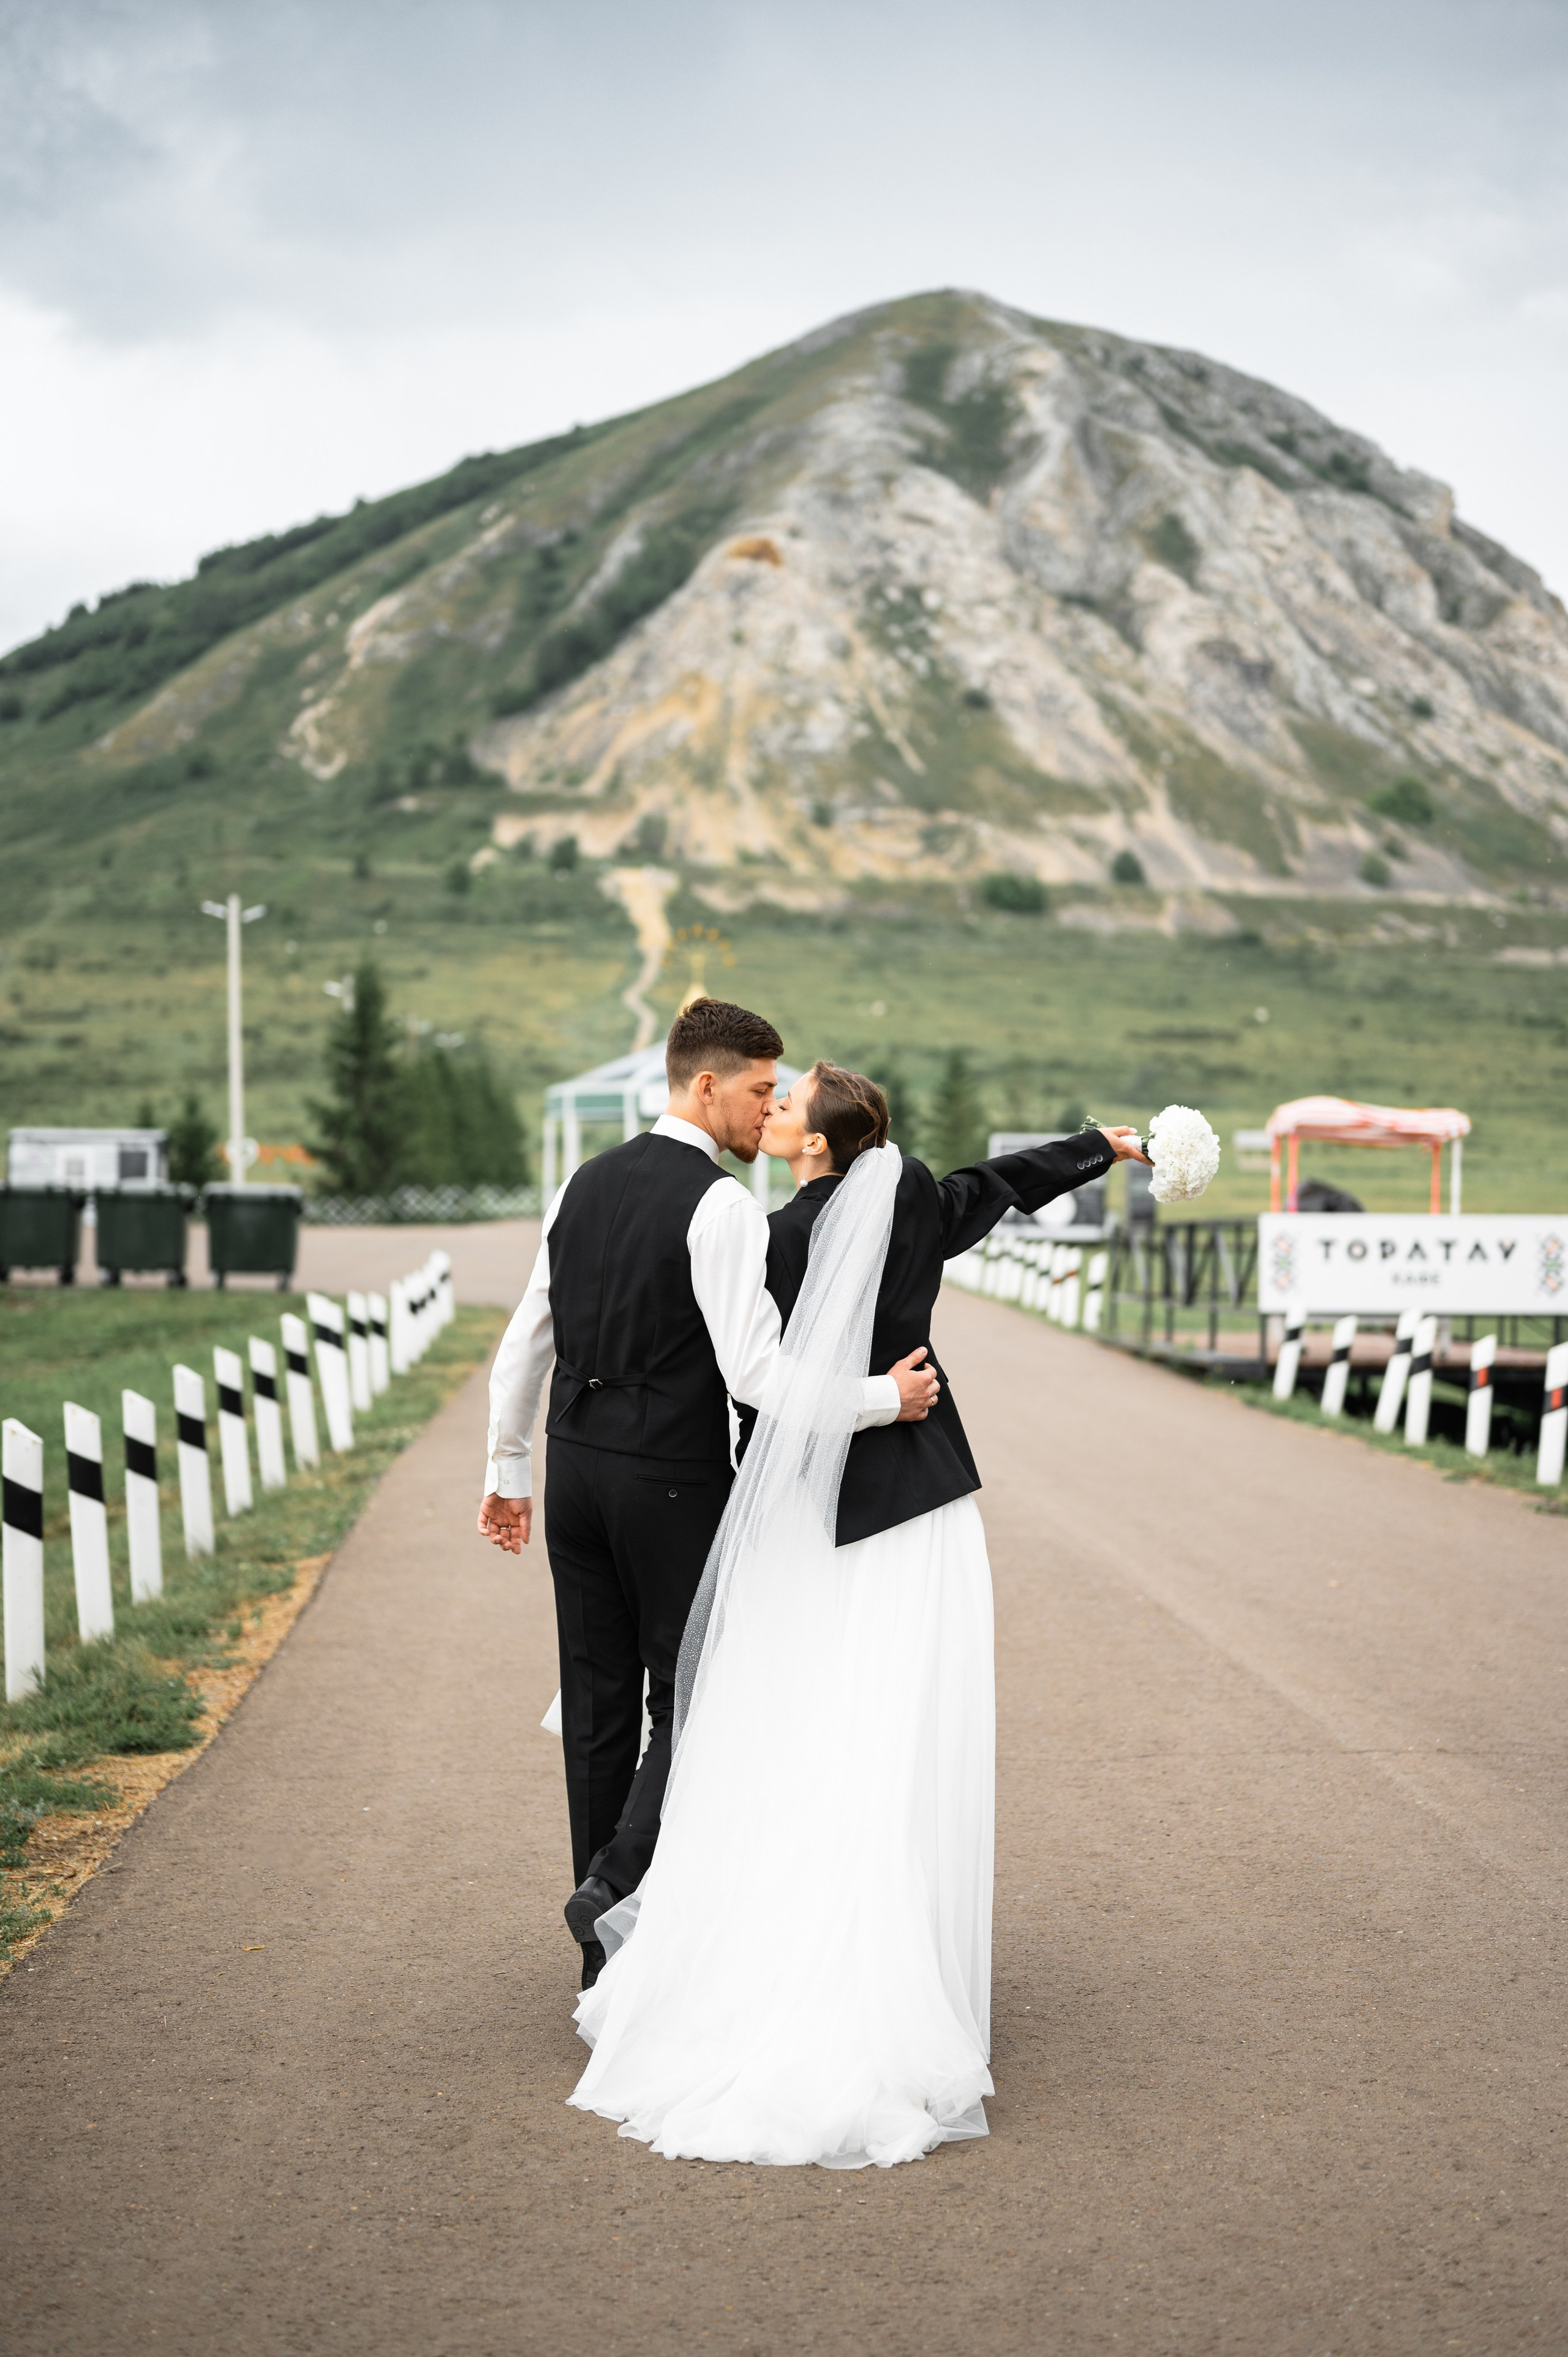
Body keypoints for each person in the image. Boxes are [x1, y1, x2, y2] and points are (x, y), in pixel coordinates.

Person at [567, 1063, 1147, 2167]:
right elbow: (995, 1188)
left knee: (778, 1719)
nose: (774, 1104)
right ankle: (879, 1952)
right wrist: (1097, 1147)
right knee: (886, 1730)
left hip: (797, 1508)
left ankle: (739, 1937)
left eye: (790, 1101)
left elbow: (740, 1372)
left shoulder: (769, 1235)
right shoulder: (911, 1193)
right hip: (914, 1502)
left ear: (818, 1145)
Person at [477, 1005, 938, 1988]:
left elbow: (528, 1338)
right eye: (759, 1090)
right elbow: (760, 1379)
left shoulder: (581, 1184)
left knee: (599, 1703)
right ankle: (619, 1891)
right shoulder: (720, 1206)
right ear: (705, 1086)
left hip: (573, 1472)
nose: (768, 1108)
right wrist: (883, 1398)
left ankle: (598, 1956)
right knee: (696, 1695)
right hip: (668, 1483)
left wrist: (508, 1472)